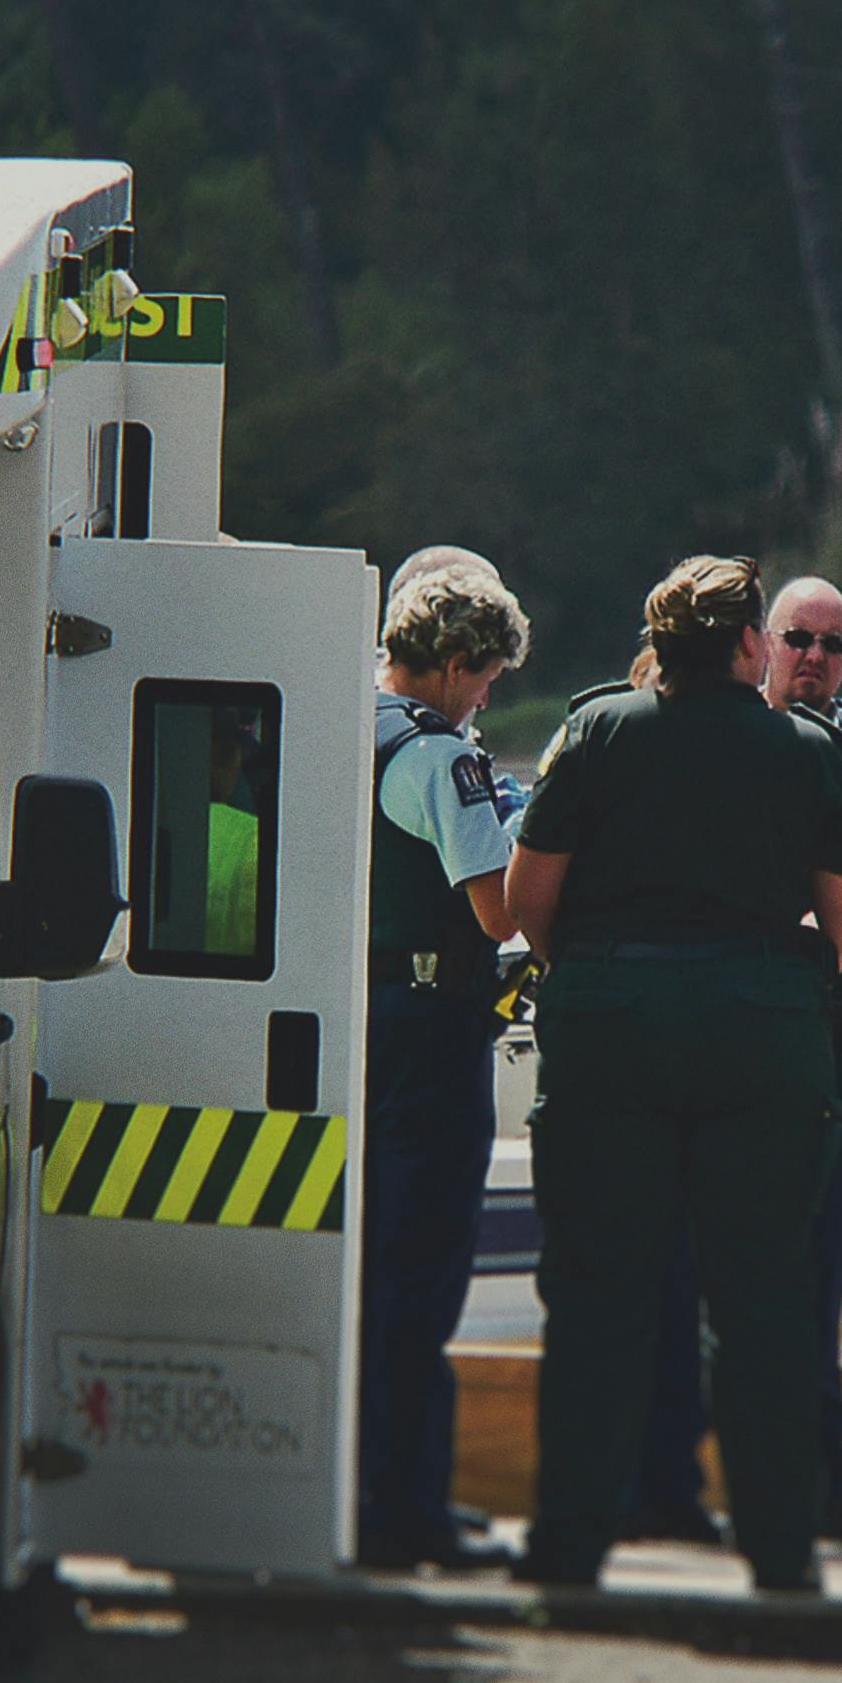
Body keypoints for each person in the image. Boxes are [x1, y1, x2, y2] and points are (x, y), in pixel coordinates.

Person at [506, 556, 842, 1594]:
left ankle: (569, 1546)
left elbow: (531, 898)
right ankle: (781, 1551)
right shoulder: (804, 749)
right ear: (750, 645)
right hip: (760, 1030)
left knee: (595, 1294)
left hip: (609, 1028)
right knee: (762, 1299)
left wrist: (593, 971)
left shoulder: (594, 731)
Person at [623, 577, 842, 1546]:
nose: (813, 658)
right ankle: (668, 1482)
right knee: (679, 1264)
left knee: (811, 1274)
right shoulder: (707, 742)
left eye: (834, 646)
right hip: (720, 1034)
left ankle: (814, 1487)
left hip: (831, 1041)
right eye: (796, 638)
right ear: (761, 645)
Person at [356, 565, 533, 1572]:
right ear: (459, 663)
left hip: (362, 1018)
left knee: (372, 1268)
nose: (486, 700)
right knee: (421, 1269)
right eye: (488, 680)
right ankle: (405, 1508)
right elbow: (497, 908)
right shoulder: (437, 756)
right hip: (430, 1026)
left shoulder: (345, 719)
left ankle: (374, 1486)